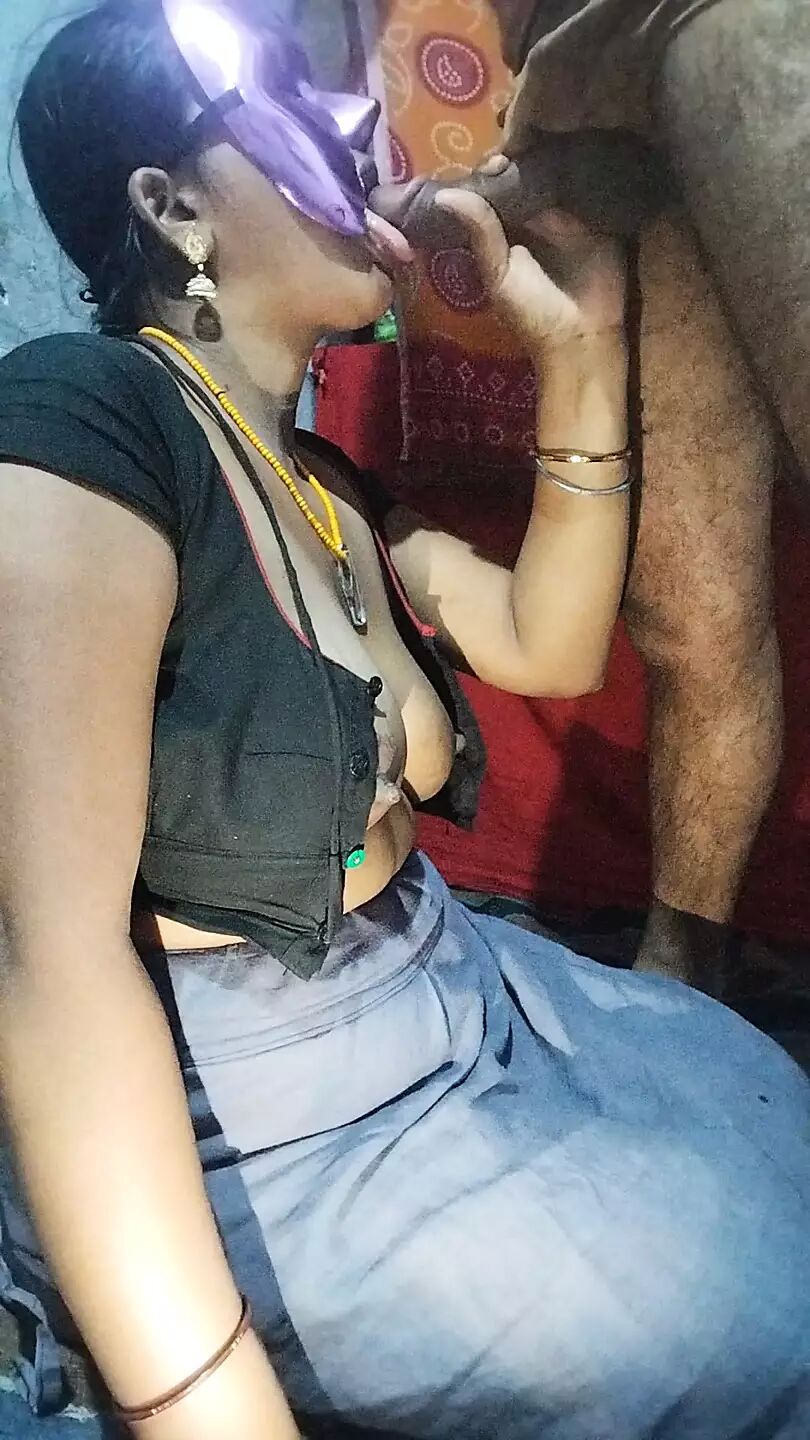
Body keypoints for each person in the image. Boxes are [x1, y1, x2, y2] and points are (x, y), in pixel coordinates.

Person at [0, 3, 809, 1438]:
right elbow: (48, 976)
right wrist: (199, 1400)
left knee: (769, 1112)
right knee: (767, 1316)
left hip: (455, 991)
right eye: (286, 98)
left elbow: (547, 644)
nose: (358, 126)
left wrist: (582, 343)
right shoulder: (84, 424)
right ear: (172, 207)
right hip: (279, 1122)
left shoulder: (314, 479)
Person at [495, 0, 794, 993]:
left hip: (734, 47)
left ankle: (684, 973)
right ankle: (681, 976)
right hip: (598, 81)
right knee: (692, 614)